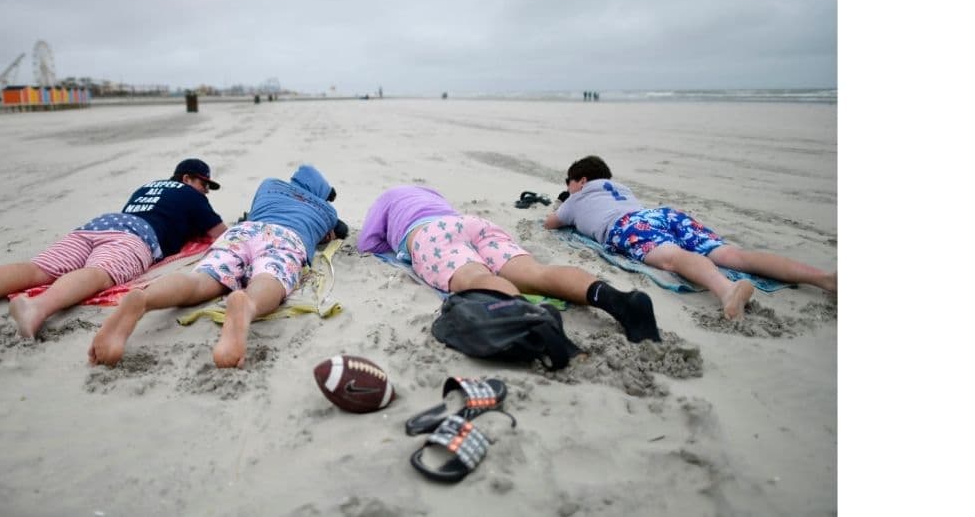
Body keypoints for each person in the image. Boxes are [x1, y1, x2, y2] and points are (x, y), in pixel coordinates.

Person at [0, 159, 228, 337]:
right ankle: (38, 308)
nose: (206, 191)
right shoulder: (191, 196)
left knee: (37, 269)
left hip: (101, 223)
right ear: (188, 178)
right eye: (205, 184)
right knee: (98, 273)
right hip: (138, 236)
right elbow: (221, 234)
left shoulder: (147, 187)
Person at [88, 164, 343, 369]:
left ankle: (144, 300)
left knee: (201, 280)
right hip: (286, 238)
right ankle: (247, 305)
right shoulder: (327, 212)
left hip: (243, 231)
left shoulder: (270, 185)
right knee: (269, 278)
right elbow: (338, 230)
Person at [545, 155, 838, 320]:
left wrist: (562, 204)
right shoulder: (622, 188)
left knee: (672, 257)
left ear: (581, 181)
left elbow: (551, 223)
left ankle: (727, 290)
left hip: (626, 225)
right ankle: (823, 278)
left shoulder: (577, 197)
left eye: (568, 183)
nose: (569, 188)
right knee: (730, 254)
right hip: (660, 214)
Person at [357, 185, 660, 343]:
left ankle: (531, 318)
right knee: (535, 273)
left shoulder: (386, 199)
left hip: (431, 234)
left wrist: (396, 245)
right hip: (470, 223)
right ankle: (617, 299)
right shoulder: (432, 195)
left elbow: (368, 243)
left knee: (476, 277)